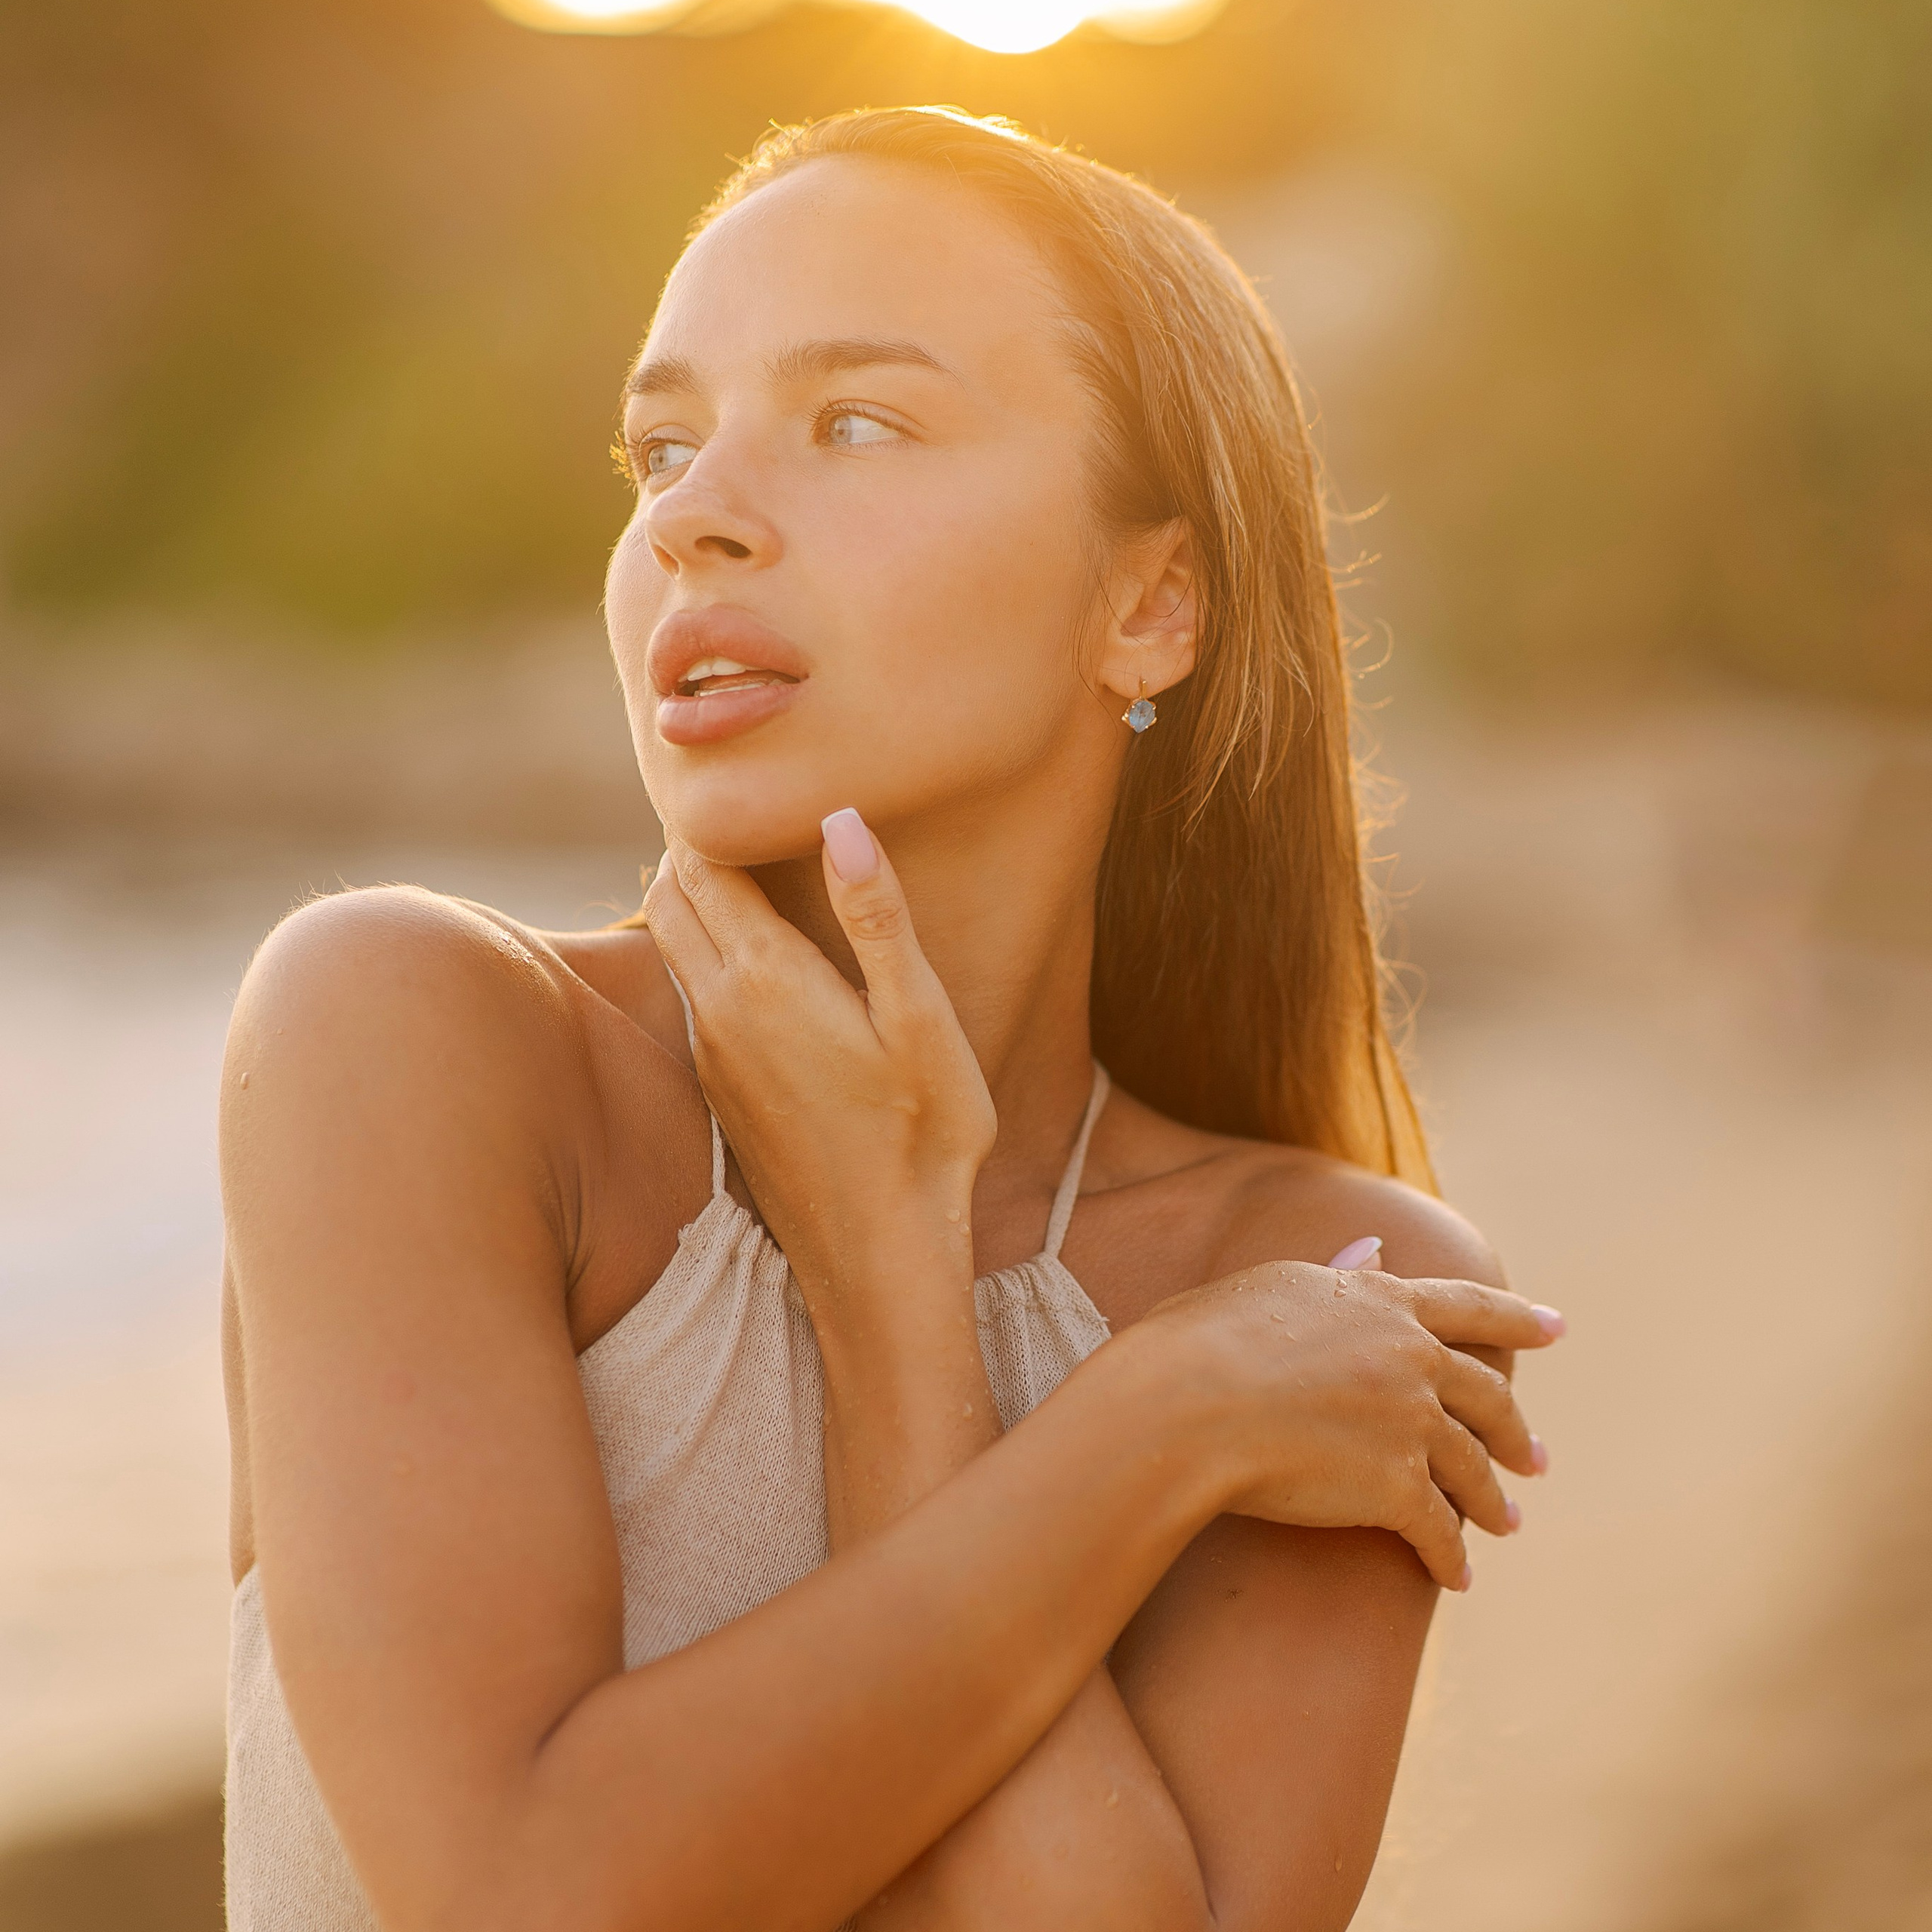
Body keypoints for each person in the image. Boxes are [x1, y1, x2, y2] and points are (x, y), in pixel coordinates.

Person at [219, 106, 1562, 1932]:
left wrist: (893, 1290)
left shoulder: (1325, 1279)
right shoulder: (409, 1036)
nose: (693, 510)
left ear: (1149, 600)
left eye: (856, 420)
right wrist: (1155, 1426)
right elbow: (515, 1889)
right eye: (660, 444)